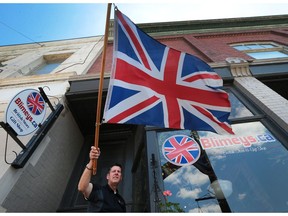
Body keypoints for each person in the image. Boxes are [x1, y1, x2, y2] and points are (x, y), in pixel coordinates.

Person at [78, 146, 126, 212]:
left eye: (118, 171)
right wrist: (91, 161)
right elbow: (82, 187)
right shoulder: (98, 189)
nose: (116, 173)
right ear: (107, 176)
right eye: (113, 171)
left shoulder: (121, 201)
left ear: (121, 178)